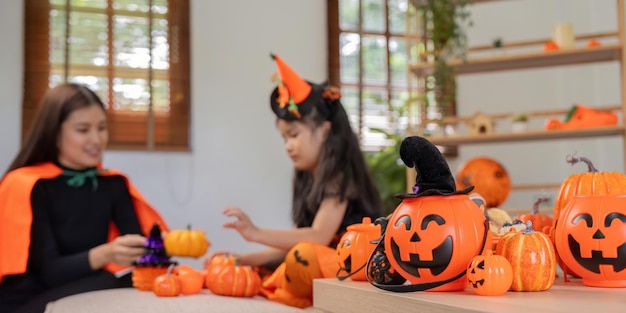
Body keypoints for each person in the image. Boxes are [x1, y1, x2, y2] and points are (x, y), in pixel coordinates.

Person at [205, 54, 384, 308]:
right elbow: (303, 242)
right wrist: (243, 259)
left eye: (294, 135)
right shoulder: (306, 178)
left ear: (324, 131)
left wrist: (256, 233)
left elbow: (318, 237)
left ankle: (291, 290)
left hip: (353, 265)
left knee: (303, 256)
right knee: (294, 257)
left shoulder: (341, 176)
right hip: (318, 258)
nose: (288, 146)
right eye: (284, 138)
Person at [0, 83, 169, 313]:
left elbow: (140, 255)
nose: (96, 139)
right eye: (83, 130)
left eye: (101, 128)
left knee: (135, 285)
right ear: (55, 133)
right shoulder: (29, 185)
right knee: (111, 284)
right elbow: (50, 272)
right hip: (29, 298)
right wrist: (107, 253)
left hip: (83, 285)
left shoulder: (114, 183)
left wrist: (164, 245)